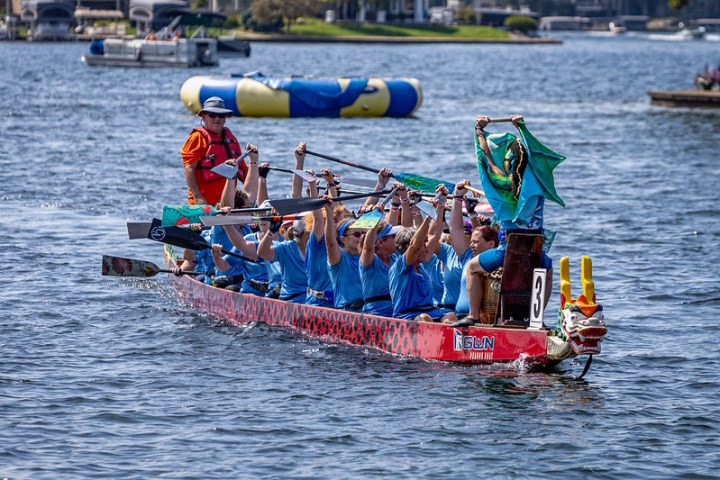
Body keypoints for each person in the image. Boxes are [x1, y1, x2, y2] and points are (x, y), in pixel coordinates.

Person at [465, 114, 557, 322]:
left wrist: (478, 130)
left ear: (506, 163)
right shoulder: (537, 183)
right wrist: (521, 128)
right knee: (548, 268)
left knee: (472, 268)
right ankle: (537, 318)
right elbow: (537, 155)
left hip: (506, 252)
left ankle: (472, 316)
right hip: (535, 252)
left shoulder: (500, 185)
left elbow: (484, 158)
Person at [181, 96, 249, 206]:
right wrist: (197, 196)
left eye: (221, 115)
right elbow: (189, 169)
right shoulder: (197, 137)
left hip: (229, 205)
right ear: (203, 117)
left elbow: (243, 170)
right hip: (204, 204)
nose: (217, 119)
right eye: (212, 115)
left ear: (225, 118)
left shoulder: (231, 138)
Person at [388, 217, 458, 324]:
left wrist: (438, 210)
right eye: (423, 245)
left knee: (451, 316)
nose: (427, 249)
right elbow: (415, 246)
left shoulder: (421, 267)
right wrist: (427, 219)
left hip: (430, 311)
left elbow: (435, 234)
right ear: (408, 247)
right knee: (424, 318)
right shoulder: (399, 266)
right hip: (407, 315)